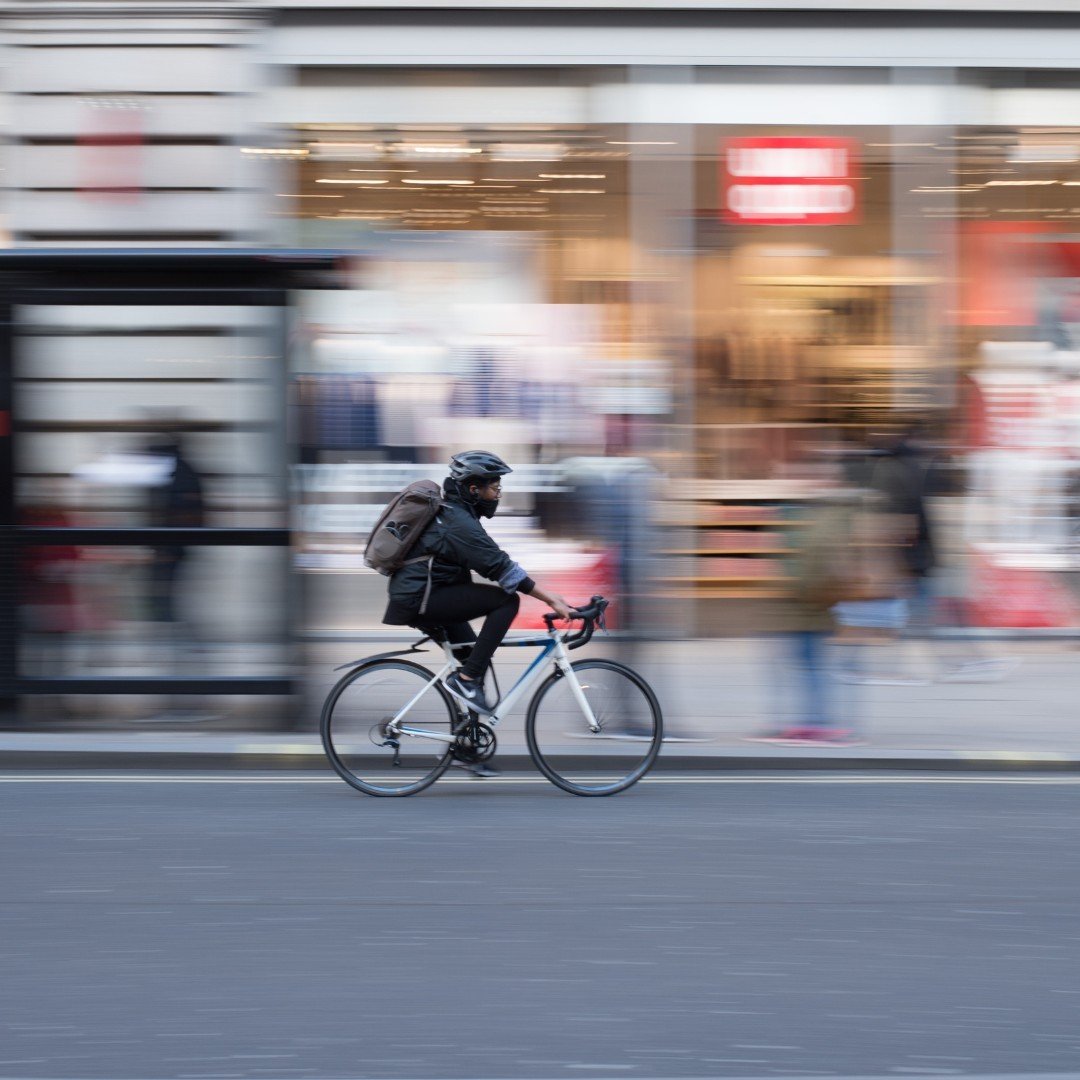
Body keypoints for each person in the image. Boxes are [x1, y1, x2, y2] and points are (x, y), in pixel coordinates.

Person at [382, 450, 573, 718]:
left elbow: (491, 562)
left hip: (427, 595)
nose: (498, 494)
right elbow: (500, 567)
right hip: (420, 598)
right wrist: (550, 598)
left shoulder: (456, 515)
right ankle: (467, 681)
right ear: (474, 489)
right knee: (507, 601)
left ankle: (467, 749)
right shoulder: (456, 522)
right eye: (495, 487)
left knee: (475, 661)